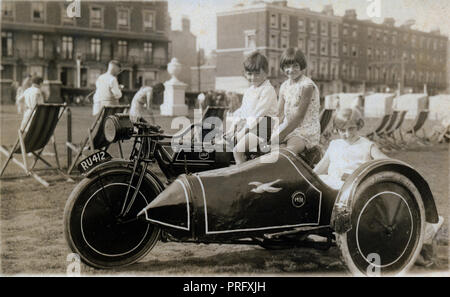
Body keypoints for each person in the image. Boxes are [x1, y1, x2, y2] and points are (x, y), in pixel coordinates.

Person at [313, 108, 389, 190]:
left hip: (353, 187)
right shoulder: (334, 145)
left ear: (358, 126)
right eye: (342, 130)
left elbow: (386, 162)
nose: (348, 134)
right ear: (336, 129)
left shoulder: (366, 146)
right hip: (330, 185)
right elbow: (319, 169)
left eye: (351, 128)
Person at [226, 51, 278, 164]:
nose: (253, 77)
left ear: (266, 73)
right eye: (249, 74)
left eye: (257, 73)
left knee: (237, 150)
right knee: (228, 144)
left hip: (264, 127)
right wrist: (232, 129)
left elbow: (258, 114)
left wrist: (242, 132)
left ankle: (241, 176)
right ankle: (240, 166)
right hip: (252, 126)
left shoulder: (267, 90)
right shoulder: (250, 90)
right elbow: (242, 112)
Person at [269, 48, 321, 156]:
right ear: (283, 67)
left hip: (305, 129)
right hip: (288, 126)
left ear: (301, 66)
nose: (291, 70)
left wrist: (281, 135)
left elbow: (299, 116)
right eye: (287, 66)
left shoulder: (307, 86)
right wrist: (271, 131)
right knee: (267, 148)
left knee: (288, 152)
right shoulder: (284, 86)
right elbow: (279, 113)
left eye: (295, 66)